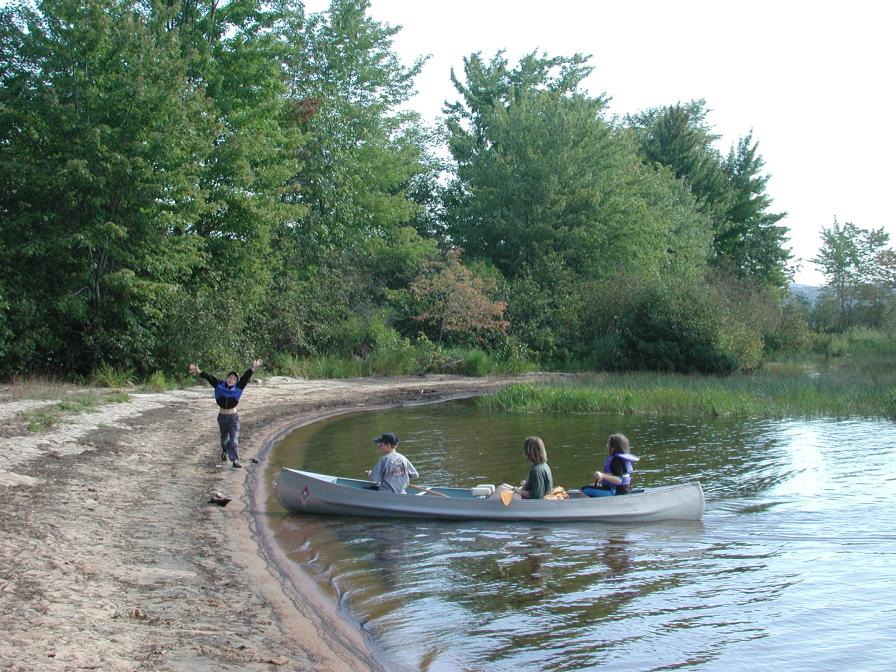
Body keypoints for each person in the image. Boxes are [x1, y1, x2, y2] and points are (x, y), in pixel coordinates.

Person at [188, 358, 262, 469]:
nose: (231, 380)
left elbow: (246, 377)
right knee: (224, 440)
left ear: (236, 381)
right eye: (230, 377)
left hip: (233, 418)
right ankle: (225, 450)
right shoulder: (219, 385)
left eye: (234, 379)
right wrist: (199, 372)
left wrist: (253, 368)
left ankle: (235, 460)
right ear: (227, 378)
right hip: (222, 418)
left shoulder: (239, 387)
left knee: (234, 439)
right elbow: (209, 377)